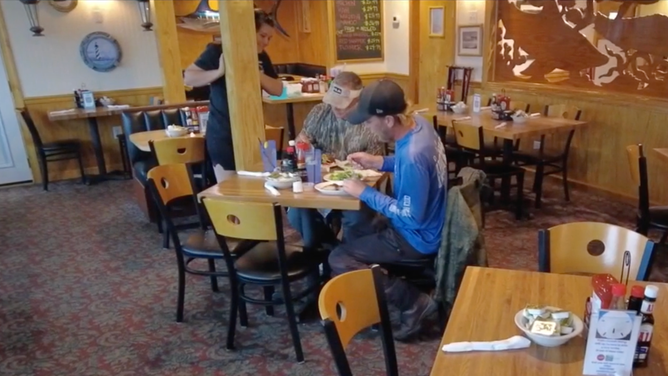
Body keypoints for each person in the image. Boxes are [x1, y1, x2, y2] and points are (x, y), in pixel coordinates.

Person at [328, 80, 449, 341]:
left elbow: (410, 215)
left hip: (417, 237)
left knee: (339, 258)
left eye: (370, 122)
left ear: (390, 120)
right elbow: (408, 166)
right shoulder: (419, 126)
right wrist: (380, 161)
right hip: (430, 224)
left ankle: (413, 302)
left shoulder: (414, 155)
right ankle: (374, 294)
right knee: (359, 231)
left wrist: (366, 193)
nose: (369, 128)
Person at [288, 72, 383, 250]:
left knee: (356, 218)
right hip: (319, 182)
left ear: (358, 99)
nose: (336, 108)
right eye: (333, 102)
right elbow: (302, 139)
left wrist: (362, 165)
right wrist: (305, 148)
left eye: (342, 105)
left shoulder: (369, 121)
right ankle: (329, 250)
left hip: (355, 186)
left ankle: (348, 257)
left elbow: (376, 168)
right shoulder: (320, 111)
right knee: (296, 212)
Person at [184, 9, 283, 172]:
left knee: (255, 184)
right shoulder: (218, 50)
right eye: (263, 36)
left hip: (252, 130)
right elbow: (189, 78)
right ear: (249, 31)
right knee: (228, 189)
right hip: (221, 131)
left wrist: (255, 72)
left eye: (270, 38)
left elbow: (278, 89)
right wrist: (218, 72)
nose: (266, 42)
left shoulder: (262, 57)